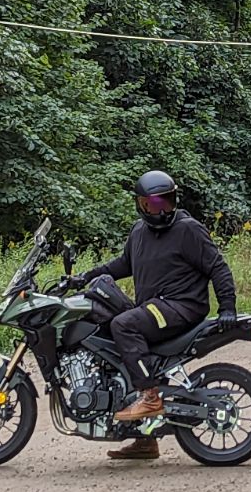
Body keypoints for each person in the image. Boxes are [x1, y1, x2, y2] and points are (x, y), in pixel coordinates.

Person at [74, 169, 237, 461]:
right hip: (155, 306)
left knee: (123, 324)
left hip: (181, 306)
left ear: (174, 201)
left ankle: (150, 396)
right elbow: (123, 264)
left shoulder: (188, 229)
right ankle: (145, 440)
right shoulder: (139, 231)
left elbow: (218, 267)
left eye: (166, 202)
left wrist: (227, 307)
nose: (160, 210)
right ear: (141, 205)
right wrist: (85, 276)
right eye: (152, 204)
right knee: (113, 336)